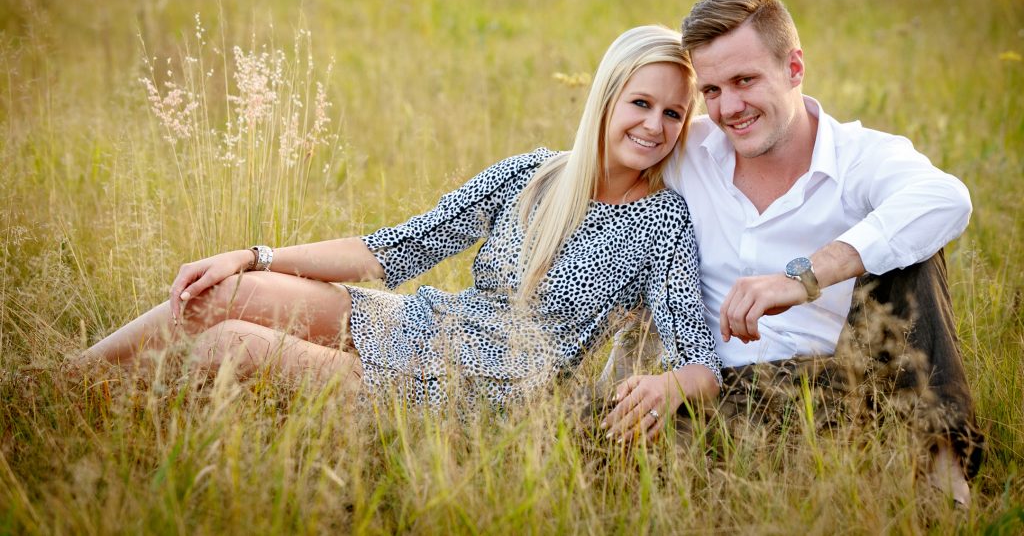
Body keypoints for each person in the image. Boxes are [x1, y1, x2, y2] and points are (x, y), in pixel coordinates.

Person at [82, 25, 722, 429]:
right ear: (606, 100)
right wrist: (253, 256)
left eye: (674, 113)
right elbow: (398, 249)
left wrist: (673, 383)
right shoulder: (534, 175)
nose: (655, 126)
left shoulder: (662, 220)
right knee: (218, 297)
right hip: (426, 324)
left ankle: (114, 421)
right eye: (641, 103)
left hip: (483, 389)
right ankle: (59, 386)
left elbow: (702, 363)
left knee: (232, 347)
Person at [659, 0, 982, 505]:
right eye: (712, 91)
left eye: (745, 80)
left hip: (846, 388)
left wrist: (805, 276)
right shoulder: (688, 149)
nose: (729, 108)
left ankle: (942, 479)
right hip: (724, 393)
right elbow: (600, 162)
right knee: (599, 436)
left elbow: (947, 199)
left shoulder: (860, 155)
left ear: (793, 67)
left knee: (909, 244)